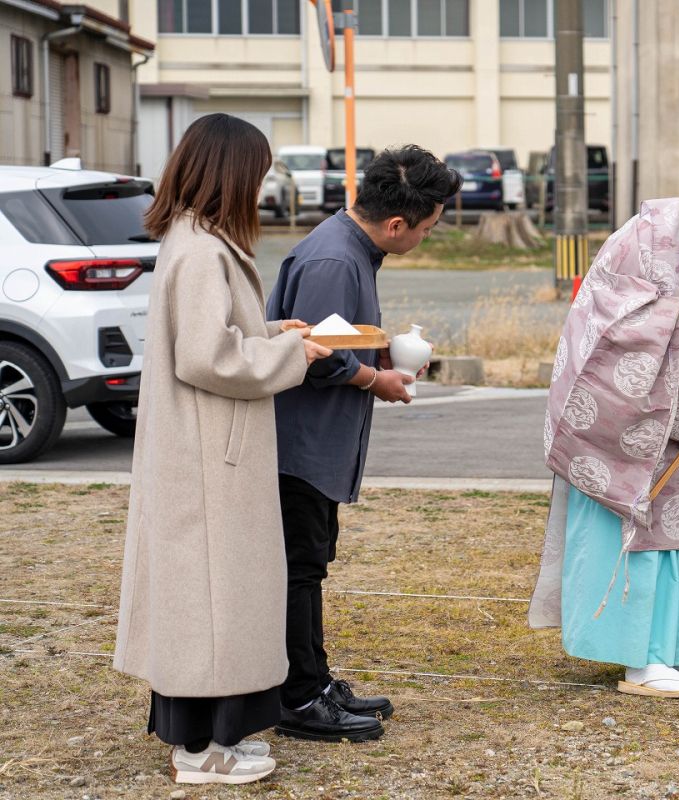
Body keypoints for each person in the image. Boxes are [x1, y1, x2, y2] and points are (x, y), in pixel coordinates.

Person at [113, 113, 332, 785]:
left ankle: (213, 740)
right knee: (211, 603)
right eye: (258, 173)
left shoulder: (191, 237)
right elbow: (208, 356)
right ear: (232, 174)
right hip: (209, 453)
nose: (262, 188)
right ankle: (201, 750)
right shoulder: (205, 248)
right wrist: (293, 351)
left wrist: (271, 330)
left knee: (206, 601)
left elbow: (210, 335)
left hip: (203, 447)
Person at [529, 121, 679, 698]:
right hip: (631, 420)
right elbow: (595, 316)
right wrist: (676, 311)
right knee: (642, 532)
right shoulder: (642, 236)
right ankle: (640, 658)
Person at [266, 145, 462, 741]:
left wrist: (378, 354)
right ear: (397, 223)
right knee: (300, 568)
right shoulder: (335, 259)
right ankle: (298, 698)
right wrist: (376, 378)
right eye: (427, 228)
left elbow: (336, 335)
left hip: (314, 442)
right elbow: (317, 355)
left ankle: (314, 680)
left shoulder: (351, 249)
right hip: (298, 444)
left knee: (310, 564)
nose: (426, 237)